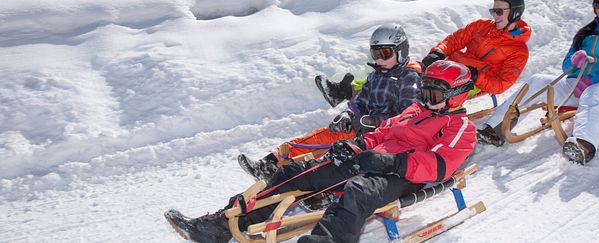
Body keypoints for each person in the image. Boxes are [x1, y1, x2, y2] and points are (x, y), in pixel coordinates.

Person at [165, 60, 478, 243]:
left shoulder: (460, 126)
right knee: (292, 172)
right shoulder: (415, 109)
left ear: (455, 94)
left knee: (357, 191)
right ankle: (221, 225)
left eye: (434, 91)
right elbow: (380, 133)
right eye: (425, 89)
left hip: (400, 175)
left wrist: (389, 161)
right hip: (370, 159)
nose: (427, 96)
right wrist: (354, 144)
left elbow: (437, 166)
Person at [478, 0, 599, 164]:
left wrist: (594, 79)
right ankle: (496, 128)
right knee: (537, 81)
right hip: (576, 85)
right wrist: (575, 61)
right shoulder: (586, 33)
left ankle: (584, 144)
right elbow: (566, 63)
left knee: (593, 93)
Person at [238, 24, 422, 180]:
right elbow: (361, 100)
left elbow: (408, 115)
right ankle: (269, 164)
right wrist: (348, 114)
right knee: (315, 139)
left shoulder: (409, 78)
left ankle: (312, 187)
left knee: (332, 161)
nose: (379, 59)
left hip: (380, 138)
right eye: (375, 54)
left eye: (385, 53)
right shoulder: (375, 76)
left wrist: (372, 122)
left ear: (401, 51)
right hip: (358, 128)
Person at [319, 0, 531, 104]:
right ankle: (346, 90)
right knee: (406, 69)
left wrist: (476, 76)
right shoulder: (482, 26)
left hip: (471, 82)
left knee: (426, 87)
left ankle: (395, 109)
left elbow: (502, 84)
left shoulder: (518, 51)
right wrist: (438, 52)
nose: (494, 15)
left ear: (514, 14)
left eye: (499, 11)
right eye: (493, 10)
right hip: (450, 64)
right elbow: (455, 40)